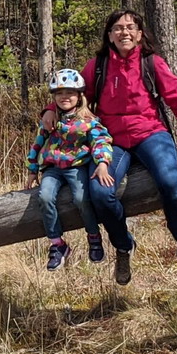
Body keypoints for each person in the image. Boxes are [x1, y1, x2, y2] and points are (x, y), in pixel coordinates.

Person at [42, 9, 177, 293]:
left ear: (140, 34)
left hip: (151, 134)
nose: (125, 32)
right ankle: (123, 246)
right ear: (109, 35)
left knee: (171, 185)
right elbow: (73, 93)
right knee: (100, 193)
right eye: (118, 28)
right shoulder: (98, 66)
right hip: (111, 140)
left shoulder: (152, 63)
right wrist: (50, 109)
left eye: (130, 27)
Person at [26, 68, 114, 271]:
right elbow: (37, 143)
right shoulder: (50, 119)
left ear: (79, 95)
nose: (64, 97)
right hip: (52, 168)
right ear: (53, 96)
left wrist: (102, 162)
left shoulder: (88, 121)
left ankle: (93, 236)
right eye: (59, 93)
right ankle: (57, 244)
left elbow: (101, 141)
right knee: (45, 197)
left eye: (70, 93)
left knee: (81, 198)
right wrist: (32, 169)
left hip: (76, 167)